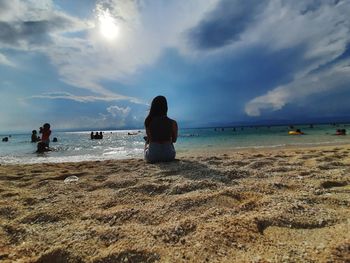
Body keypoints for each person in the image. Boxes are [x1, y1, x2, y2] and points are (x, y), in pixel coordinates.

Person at [144, 96, 178, 163]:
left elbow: (150, 140)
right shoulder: (173, 123)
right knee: (170, 142)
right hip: (169, 156)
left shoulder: (148, 121)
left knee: (147, 142)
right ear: (166, 107)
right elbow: (174, 140)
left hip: (152, 157)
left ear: (153, 107)